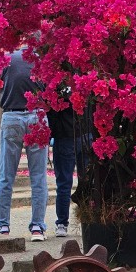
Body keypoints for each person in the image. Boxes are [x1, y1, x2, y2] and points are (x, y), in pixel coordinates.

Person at [0, 49, 49, 241]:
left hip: (12, 115)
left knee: (6, 175)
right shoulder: (41, 59)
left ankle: (2, 225)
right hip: (37, 116)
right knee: (38, 176)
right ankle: (37, 227)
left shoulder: (6, 59)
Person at [47, 97, 88, 238]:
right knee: (87, 180)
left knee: (64, 183)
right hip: (85, 133)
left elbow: (52, 111)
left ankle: (62, 223)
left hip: (65, 135)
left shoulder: (59, 85)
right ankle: (88, 218)